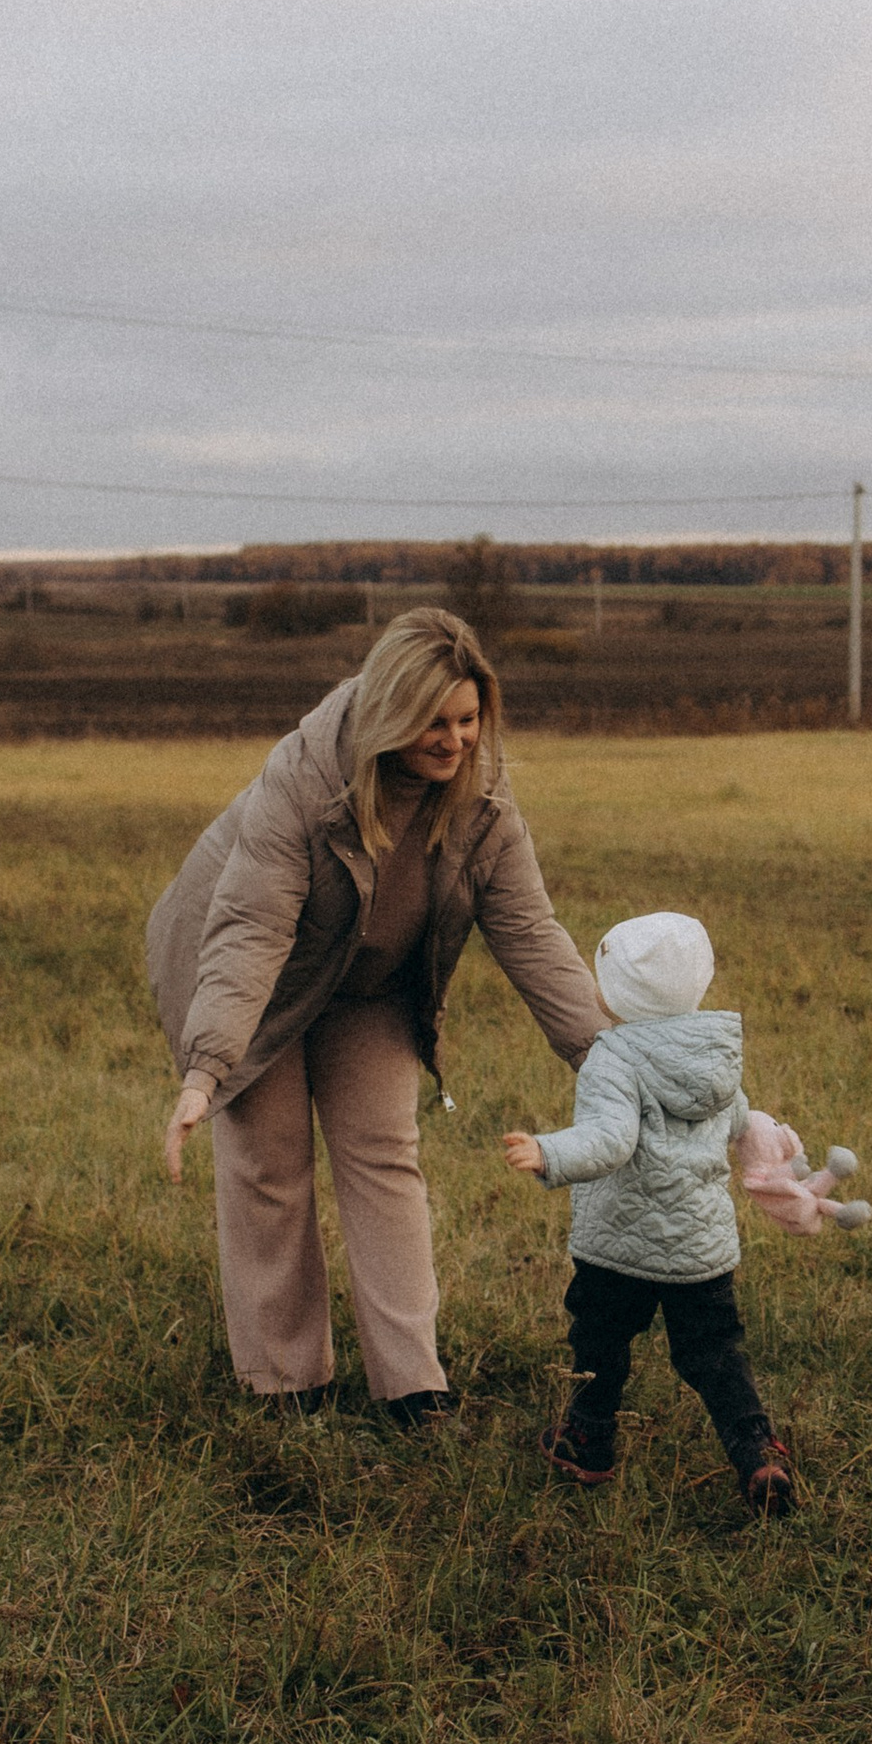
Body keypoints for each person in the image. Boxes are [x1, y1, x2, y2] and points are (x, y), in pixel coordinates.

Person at [148, 606, 604, 1421]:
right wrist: (205, 1069)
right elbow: (251, 928)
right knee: (270, 1163)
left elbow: (533, 935)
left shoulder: (484, 800)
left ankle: (413, 1383)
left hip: (370, 981)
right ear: (390, 710)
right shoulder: (305, 778)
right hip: (252, 976)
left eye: (469, 721)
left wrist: (614, 1061)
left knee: (385, 1150)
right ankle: (286, 1383)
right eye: (434, 720)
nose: (456, 740)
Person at [501, 908, 798, 1519]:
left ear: (612, 994)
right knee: (715, 1351)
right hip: (701, 1248)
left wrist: (548, 1152)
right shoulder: (714, 1049)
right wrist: (775, 1139)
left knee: (601, 1337)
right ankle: (756, 1450)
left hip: (621, 1246)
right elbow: (739, 1118)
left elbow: (611, 1140)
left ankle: (587, 1438)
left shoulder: (614, 1055)